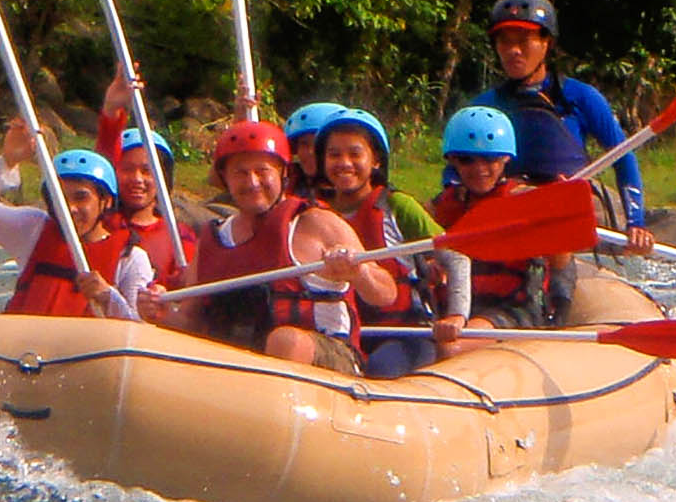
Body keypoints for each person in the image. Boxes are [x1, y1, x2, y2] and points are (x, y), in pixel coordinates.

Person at [138, 120, 401, 370]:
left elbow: (386, 293)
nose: (252, 183)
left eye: (262, 172)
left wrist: (359, 272)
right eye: (240, 173)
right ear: (226, 180)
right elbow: (190, 319)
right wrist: (160, 313)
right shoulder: (213, 239)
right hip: (238, 367)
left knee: (285, 342)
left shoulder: (317, 222)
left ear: (283, 173)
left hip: (329, 359)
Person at [467, 0, 656, 255]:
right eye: (504, 41)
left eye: (524, 40)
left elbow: (623, 157)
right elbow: (456, 171)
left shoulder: (581, 97)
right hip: (512, 214)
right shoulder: (482, 108)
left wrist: (635, 222)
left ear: (547, 43)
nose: (513, 51)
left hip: (569, 212)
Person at [312, 109, 454, 376]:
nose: (344, 163)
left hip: (407, 334)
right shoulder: (316, 215)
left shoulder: (397, 206)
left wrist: (456, 315)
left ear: (376, 160)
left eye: (355, 154)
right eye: (334, 155)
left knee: (379, 369)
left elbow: (455, 256)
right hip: (345, 332)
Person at [0, 124, 150, 318]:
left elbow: (138, 333)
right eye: (60, 198)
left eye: (81, 197)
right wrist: (7, 162)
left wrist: (109, 299)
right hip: (24, 345)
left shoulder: (131, 258)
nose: (69, 208)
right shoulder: (33, 229)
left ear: (106, 201)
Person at [429, 106, 569, 330]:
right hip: (460, 308)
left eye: (489, 159)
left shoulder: (526, 201)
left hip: (516, 309)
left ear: (505, 158)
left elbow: (560, 261)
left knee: (452, 345)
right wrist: (431, 265)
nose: (479, 168)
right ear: (453, 160)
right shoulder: (443, 206)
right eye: (467, 160)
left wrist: (558, 215)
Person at [96, 76, 198, 284]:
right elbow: (103, 161)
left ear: (163, 178)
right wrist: (111, 110)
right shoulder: (102, 223)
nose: (137, 179)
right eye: (127, 169)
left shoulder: (179, 236)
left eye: (146, 171)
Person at [281, 102, 352, 201]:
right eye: (304, 144)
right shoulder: (287, 183)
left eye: (318, 144)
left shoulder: (356, 193)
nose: (311, 152)